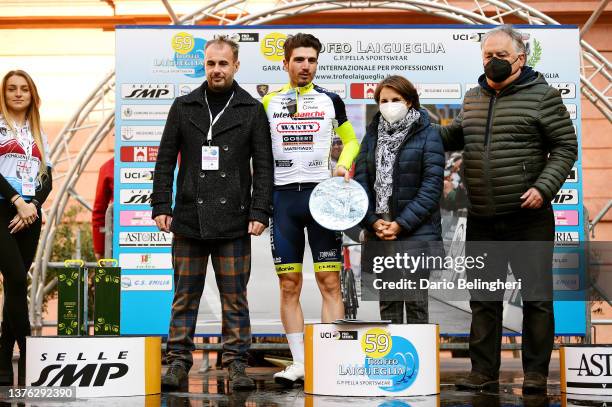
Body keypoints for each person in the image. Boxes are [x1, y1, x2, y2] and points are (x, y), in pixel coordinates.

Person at [439, 25, 577, 394]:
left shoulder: (543, 97)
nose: (493, 62)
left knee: (537, 299)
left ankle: (534, 374)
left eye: (501, 56)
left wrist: (543, 188)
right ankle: (482, 372)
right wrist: (409, 124)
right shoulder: (472, 97)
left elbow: (565, 147)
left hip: (528, 219)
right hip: (483, 217)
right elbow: (455, 135)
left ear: (520, 58)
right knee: (483, 299)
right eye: (488, 56)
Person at [152, 37, 273, 391]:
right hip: (188, 217)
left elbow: (264, 167)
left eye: (223, 64)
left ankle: (236, 365)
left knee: (235, 297)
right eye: (210, 64)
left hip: (234, 219)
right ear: (204, 66)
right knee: (184, 296)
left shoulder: (251, 109)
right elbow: (164, 160)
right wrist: (161, 205)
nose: (216, 70)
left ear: (236, 66)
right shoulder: (183, 105)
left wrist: (260, 210)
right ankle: (177, 363)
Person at [262, 33, 360, 386]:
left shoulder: (330, 100)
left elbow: (351, 141)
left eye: (312, 60)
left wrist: (342, 165)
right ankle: (301, 363)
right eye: (299, 59)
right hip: (283, 200)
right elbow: (257, 153)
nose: (306, 66)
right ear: (285, 63)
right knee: (289, 284)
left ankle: (331, 361)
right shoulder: (269, 102)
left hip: (321, 199)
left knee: (329, 281)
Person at [354, 75, 444, 324]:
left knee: (416, 304)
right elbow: (360, 183)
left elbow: (431, 187)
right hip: (381, 233)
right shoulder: (371, 136)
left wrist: (400, 224)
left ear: (410, 102)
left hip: (416, 232)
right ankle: (393, 361)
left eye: (396, 99)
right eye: (384, 100)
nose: (389, 104)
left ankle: (420, 362)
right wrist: (373, 222)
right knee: (389, 305)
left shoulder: (429, 135)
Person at [0, 70, 53, 385]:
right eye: (11, 89)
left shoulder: (38, 131)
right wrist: (17, 199)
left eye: (24, 89)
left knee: (17, 286)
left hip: (30, 215)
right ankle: (27, 351)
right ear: (3, 94)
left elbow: (47, 176)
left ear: (32, 94)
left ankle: (5, 361)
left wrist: (32, 205)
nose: (18, 94)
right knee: (17, 278)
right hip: (3, 208)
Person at [92, 157, 113, 260]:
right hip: (117, 242)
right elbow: (100, 210)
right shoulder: (109, 167)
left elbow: (99, 210)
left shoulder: (164, 161)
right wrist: (99, 248)